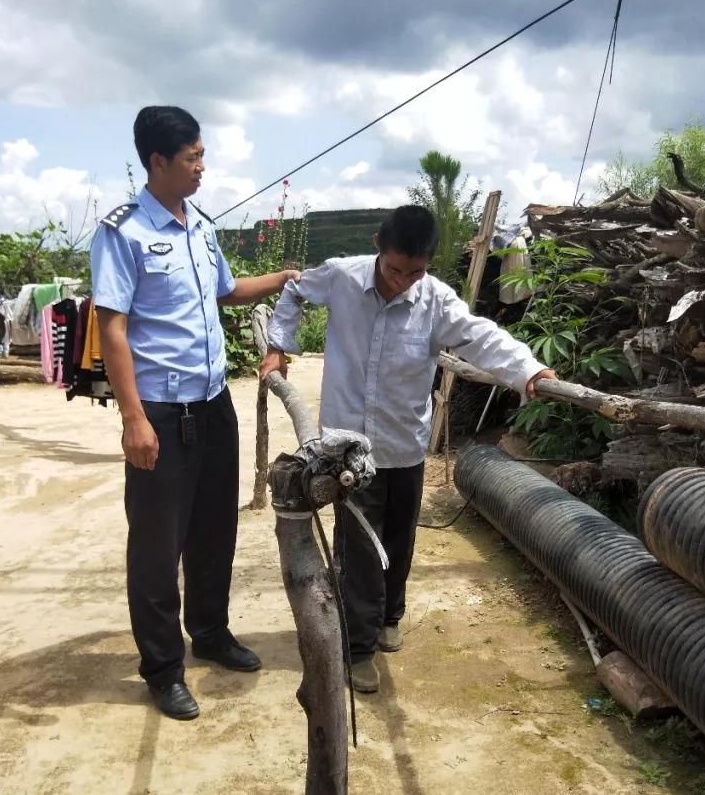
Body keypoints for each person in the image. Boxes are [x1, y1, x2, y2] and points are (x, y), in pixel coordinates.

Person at [261, 205, 555, 693]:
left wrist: (528, 370)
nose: (402, 282)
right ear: (379, 245)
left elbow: (481, 337)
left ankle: (388, 616)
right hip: (348, 448)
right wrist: (280, 344)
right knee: (358, 547)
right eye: (395, 269)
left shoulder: (436, 300)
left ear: (429, 264)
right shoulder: (340, 277)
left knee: (398, 540)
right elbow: (294, 289)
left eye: (414, 272)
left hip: (404, 444)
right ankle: (357, 648)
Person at [90, 105, 299, 721]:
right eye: (193, 157)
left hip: (212, 404)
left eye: (202, 155)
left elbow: (225, 292)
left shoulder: (200, 227)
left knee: (215, 529)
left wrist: (283, 278)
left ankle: (209, 633)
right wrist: (133, 418)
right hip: (159, 408)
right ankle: (162, 668)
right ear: (158, 161)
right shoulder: (123, 231)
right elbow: (113, 326)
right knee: (157, 545)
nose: (202, 167)